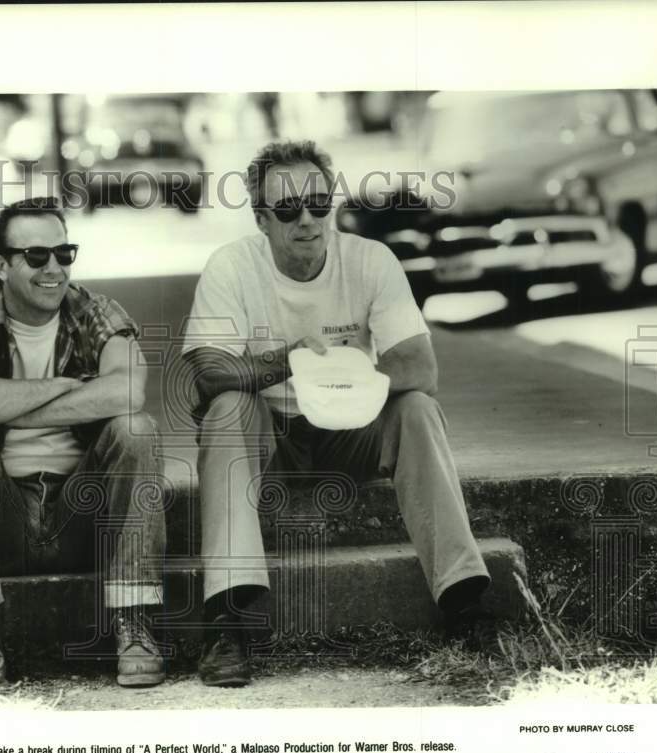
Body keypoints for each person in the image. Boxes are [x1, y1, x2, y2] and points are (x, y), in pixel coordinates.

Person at [182, 141, 493, 687]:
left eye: (319, 204)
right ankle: (228, 620)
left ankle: (464, 599)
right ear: (261, 218)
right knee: (227, 408)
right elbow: (207, 376)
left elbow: (420, 367)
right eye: (286, 210)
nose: (306, 220)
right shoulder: (231, 266)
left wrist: (344, 381)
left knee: (417, 409)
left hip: (352, 429)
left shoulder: (370, 260)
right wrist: (288, 362)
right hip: (271, 443)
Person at [0, 197, 166, 694]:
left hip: (84, 513)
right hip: (4, 519)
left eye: (64, 253)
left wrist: (7, 404)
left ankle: (133, 623)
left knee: (136, 428)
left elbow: (127, 389)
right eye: (36, 257)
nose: (54, 268)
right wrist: (63, 387)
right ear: (1, 265)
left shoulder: (95, 312)